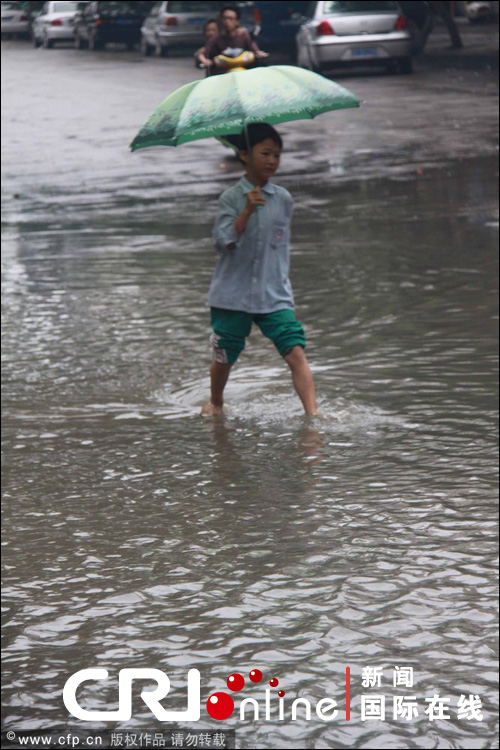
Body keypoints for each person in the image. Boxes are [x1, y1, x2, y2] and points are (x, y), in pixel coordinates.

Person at [202, 123, 319, 418]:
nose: (272, 161)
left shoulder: (284, 199)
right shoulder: (230, 198)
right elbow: (223, 243)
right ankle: (216, 403)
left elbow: (279, 249)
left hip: (273, 293)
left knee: (295, 350)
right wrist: (246, 212)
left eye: (277, 155)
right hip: (232, 295)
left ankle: (312, 415)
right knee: (225, 355)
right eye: (265, 153)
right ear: (244, 154)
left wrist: (282, 288)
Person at [203, 4, 268, 70]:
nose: (227, 22)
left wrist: (260, 54)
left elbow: (255, 50)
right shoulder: (216, 39)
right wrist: (205, 60)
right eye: (224, 18)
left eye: (231, 19)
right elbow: (203, 53)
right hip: (222, 75)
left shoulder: (243, 35)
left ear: (237, 22)